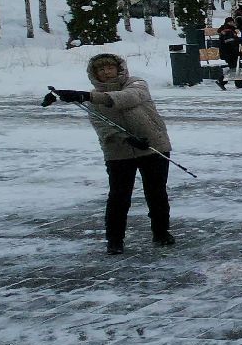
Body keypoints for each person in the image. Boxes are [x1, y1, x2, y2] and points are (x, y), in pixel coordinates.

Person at [50, 53, 174, 254]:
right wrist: (125, 138)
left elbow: (128, 99)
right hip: (118, 153)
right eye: (101, 69)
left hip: (154, 146)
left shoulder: (136, 83)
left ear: (119, 68)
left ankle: (161, 233)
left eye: (110, 67)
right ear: (94, 73)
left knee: (156, 193)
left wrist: (89, 96)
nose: (106, 72)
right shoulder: (91, 99)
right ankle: (115, 240)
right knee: (119, 196)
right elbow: (102, 127)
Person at [215, 19, 242, 90]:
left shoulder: (230, 30)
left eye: (233, 22)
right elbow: (230, 43)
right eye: (231, 22)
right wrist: (238, 50)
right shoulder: (228, 31)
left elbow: (233, 40)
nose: (233, 23)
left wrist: (239, 41)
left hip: (230, 53)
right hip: (230, 53)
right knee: (235, 68)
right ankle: (222, 81)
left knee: (236, 68)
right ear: (228, 23)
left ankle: (239, 83)